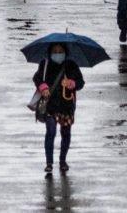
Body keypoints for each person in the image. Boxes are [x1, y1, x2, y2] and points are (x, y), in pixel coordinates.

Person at [33, 43, 84, 173]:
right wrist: (43, 87)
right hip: (50, 105)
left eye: (60, 51)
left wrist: (71, 83)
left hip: (67, 106)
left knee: (65, 133)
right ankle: (49, 162)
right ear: (50, 52)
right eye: (55, 51)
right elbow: (37, 78)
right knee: (50, 132)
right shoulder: (44, 64)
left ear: (65, 52)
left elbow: (80, 82)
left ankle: (62, 161)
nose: (57, 53)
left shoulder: (71, 65)